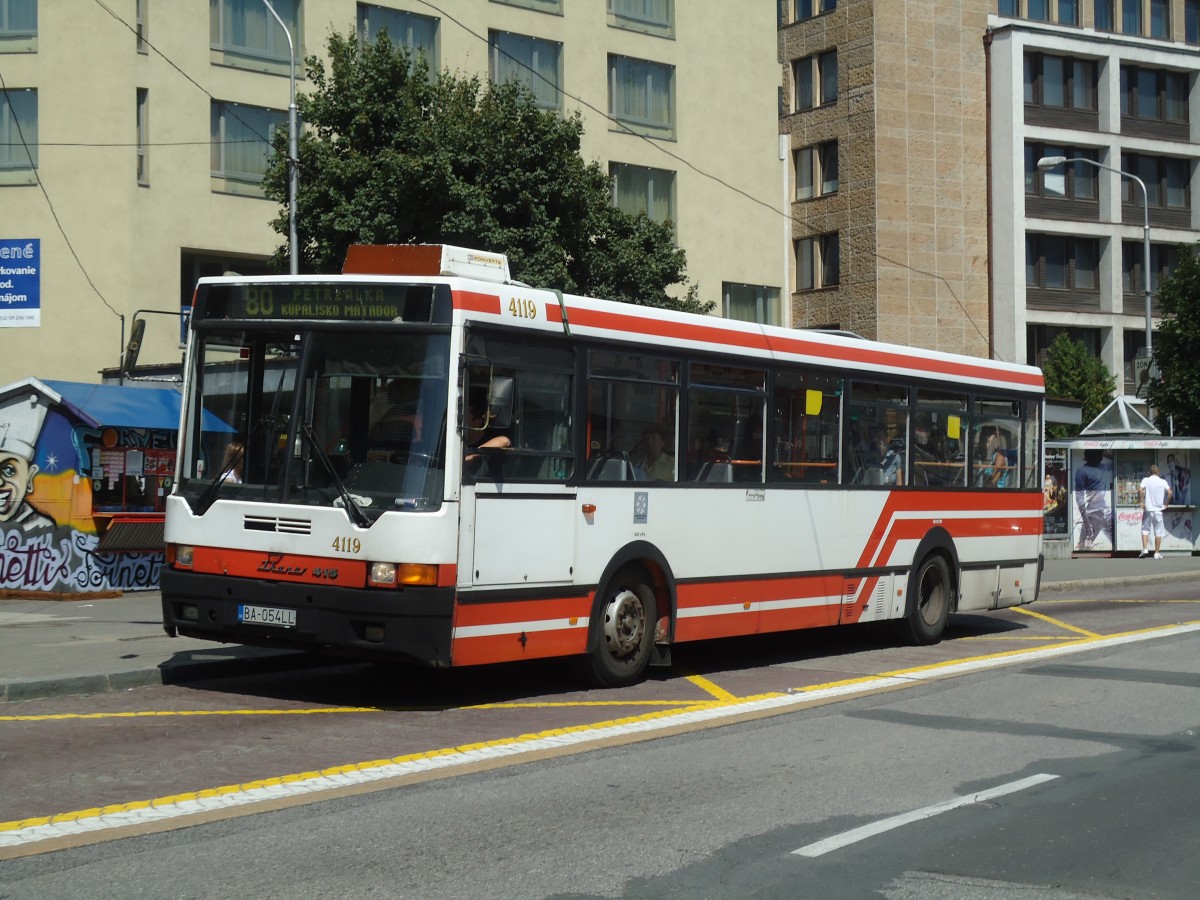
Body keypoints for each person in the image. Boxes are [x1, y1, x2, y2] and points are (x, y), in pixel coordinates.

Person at [1074, 448, 1112, 551]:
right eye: (1098, 455)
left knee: (1117, 540)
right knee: (1083, 546)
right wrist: (1086, 519)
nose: (1100, 459)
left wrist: (1104, 451)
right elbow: (1079, 496)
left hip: (1106, 511)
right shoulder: (1082, 471)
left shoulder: (1103, 467)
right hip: (1093, 513)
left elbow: (1117, 459)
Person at [1138, 463, 1173, 559]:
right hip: (1158, 510)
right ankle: (1157, 552)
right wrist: (1166, 503)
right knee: (1158, 531)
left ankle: (1145, 549)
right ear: (1158, 472)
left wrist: (1141, 502)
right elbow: (1170, 492)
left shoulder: (1146, 480)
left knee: (1145, 530)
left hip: (1148, 509)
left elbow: (1140, 490)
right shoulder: (1163, 482)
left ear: (1150, 472)